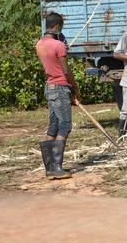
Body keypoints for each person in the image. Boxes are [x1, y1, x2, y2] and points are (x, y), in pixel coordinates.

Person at [35, 12, 81, 180]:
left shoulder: (39, 44)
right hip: (61, 87)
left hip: (50, 87)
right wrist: (75, 88)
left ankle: (50, 168)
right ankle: (56, 167)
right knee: (65, 125)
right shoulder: (58, 45)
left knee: (54, 125)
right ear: (56, 27)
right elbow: (66, 70)